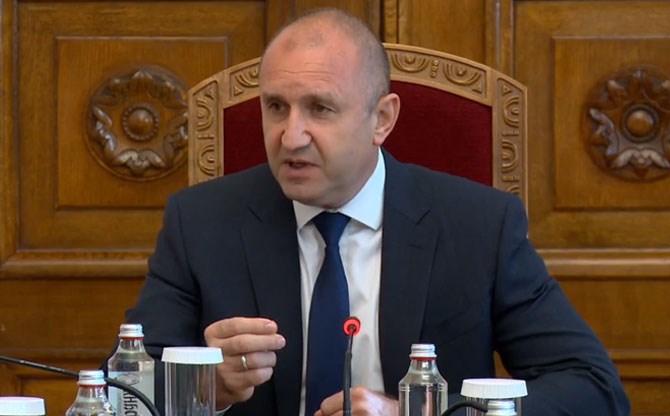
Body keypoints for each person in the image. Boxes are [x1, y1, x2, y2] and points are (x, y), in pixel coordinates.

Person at [122, 7, 631, 416]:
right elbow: (125, 391)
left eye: (320, 108)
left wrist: (423, 413)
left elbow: (593, 388)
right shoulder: (201, 222)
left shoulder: (479, 225)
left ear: (382, 119)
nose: (290, 137)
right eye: (276, 107)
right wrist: (201, 387)